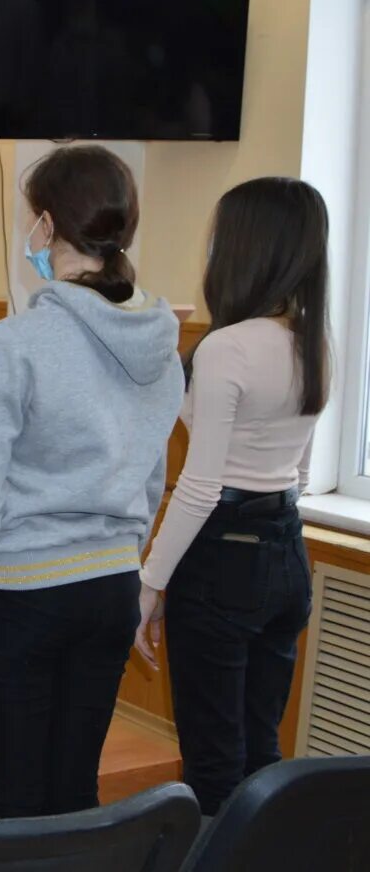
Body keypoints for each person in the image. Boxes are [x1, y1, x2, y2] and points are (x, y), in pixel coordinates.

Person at [0, 145, 182, 820]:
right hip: (109, 592)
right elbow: (151, 481)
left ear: (46, 226)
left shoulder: (17, 342)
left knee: (14, 797)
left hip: (20, 598)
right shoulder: (161, 346)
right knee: (74, 793)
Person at [134, 178, 327, 815]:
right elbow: (292, 471)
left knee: (213, 764)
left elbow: (200, 486)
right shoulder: (313, 341)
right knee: (259, 752)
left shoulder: (228, 347)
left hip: (223, 559)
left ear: (244, 248)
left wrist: (150, 582)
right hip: (286, 555)